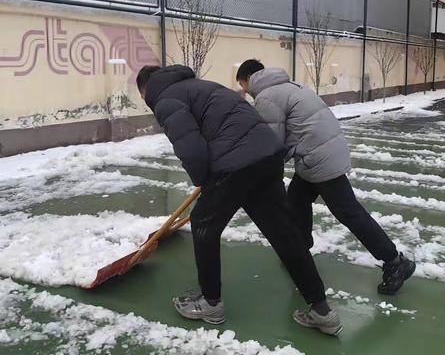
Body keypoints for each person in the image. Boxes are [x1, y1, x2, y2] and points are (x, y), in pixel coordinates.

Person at [136, 64, 343, 335]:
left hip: (236, 161)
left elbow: (190, 147)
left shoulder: (166, 100)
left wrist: (203, 179)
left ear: (146, 89)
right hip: (267, 155)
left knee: (203, 223)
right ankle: (321, 309)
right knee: (284, 232)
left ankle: (210, 302)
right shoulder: (203, 86)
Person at [236, 60, 416, 295]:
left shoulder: (267, 96)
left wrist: (254, 171)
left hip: (319, 158)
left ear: (249, 79)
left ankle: (394, 262)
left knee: (348, 211)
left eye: (242, 85)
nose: (244, 91)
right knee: (297, 201)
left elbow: (271, 142)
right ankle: (299, 253)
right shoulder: (289, 86)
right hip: (319, 153)